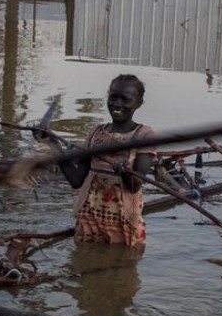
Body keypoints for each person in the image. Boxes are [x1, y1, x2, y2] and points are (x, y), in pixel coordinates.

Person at [40, 74, 157, 248]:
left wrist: (124, 171)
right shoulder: (96, 133)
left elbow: (134, 185)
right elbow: (76, 179)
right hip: (89, 217)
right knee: (84, 265)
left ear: (138, 103)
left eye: (125, 99)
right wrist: (53, 144)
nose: (117, 104)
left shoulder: (144, 135)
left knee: (122, 269)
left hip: (122, 220)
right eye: (113, 97)